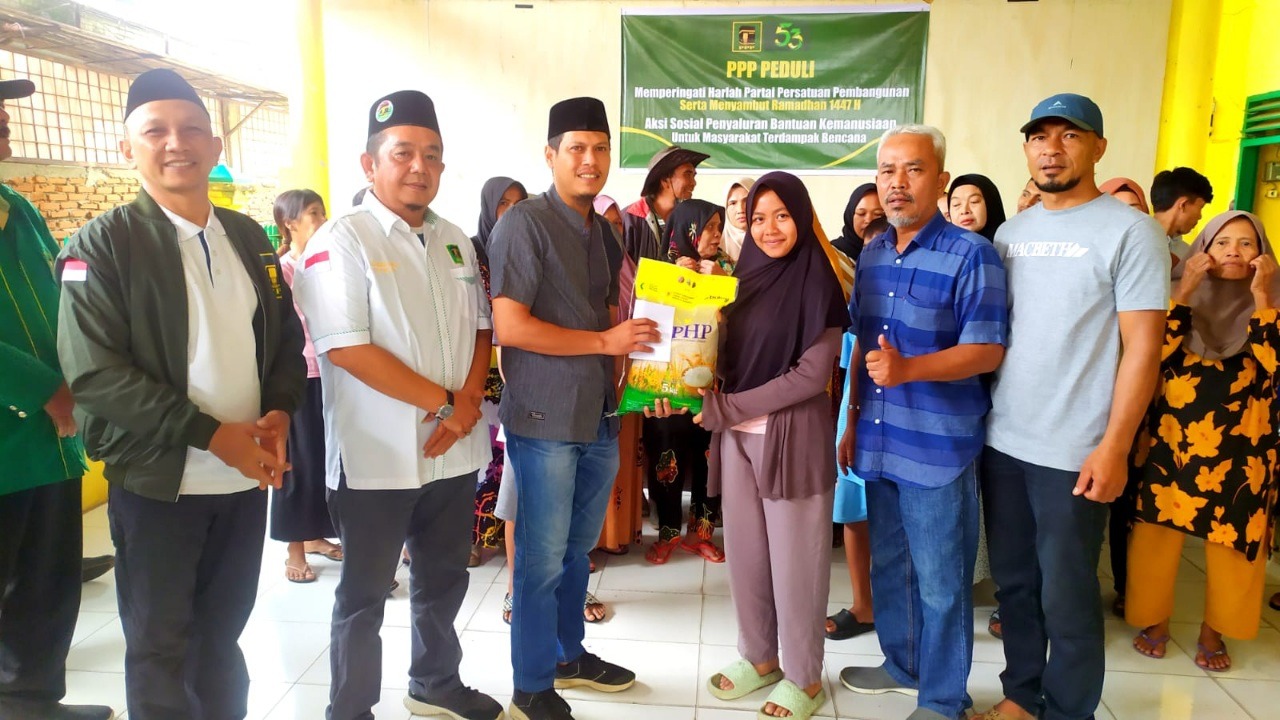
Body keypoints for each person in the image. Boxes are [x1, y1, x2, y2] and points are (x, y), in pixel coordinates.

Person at [56, 68, 307, 720]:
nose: (177, 143)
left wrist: (279, 410)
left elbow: (284, 339)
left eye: (193, 129)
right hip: (158, 484)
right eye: (156, 131)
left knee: (220, 640)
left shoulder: (248, 239)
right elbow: (94, 374)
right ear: (127, 148)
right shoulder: (101, 246)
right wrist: (212, 435)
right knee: (160, 647)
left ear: (215, 146)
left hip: (242, 484)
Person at [292, 90, 502, 720]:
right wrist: (447, 405)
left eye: (431, 155)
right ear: (369, 164)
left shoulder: (455, 238)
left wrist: (466, 404)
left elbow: (482, 328)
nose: (419, 166)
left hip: (452, 452)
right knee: (363, 596)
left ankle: (435, 683)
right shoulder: (341, 240)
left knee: (444, 580)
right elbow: (346, 347)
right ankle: (350, 709)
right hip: (376, 459)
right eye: (403, 153)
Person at [981, 94, 1168, 720]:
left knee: (1067, 595)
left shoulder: (1130, 231)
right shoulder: (1011, 233)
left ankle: (1068, 710)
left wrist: (1114, 446)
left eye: (1069, 135)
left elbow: (1143, 349)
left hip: (1075, 450)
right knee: (1015, 587)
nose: (1051, 149)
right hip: (1004, 440)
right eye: (1039, 136)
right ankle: (1021, 695)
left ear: (1098, 148)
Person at [488, 97, 654, 720]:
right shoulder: (523, 223)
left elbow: (613, 312)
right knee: (539, 559)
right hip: (544, 419)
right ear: (551, 155)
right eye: (577, 148)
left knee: (575, 551)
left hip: (599, 414)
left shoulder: (604, 231)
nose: (590, 160)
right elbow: (511, 326)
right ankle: (531, 687)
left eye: (600, 148)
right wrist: (606, 343)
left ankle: (568, 655)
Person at [838, 127, 1009, 720]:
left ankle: (943, 699)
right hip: (879, 441)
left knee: (941, 583)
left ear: (940, 179)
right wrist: (852, 422)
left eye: (912, 169)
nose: (897, 183)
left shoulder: (972, 254)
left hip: (937, 448)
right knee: (891, 565)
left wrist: (910, 369)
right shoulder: (872, 254)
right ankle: (903, 665)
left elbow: (987, 349)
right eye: (887, 171)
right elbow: (862, 347)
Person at [696, 171, 847, 720]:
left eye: (782, 216)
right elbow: (720, 358)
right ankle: (759, 657)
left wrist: (726, 409)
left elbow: (810, 376)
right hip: (737, 442)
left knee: (796, 565)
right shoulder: (743, 281)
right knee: (747, 558)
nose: (770, 228)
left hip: (791, 444)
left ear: (803, 217)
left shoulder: (820, 283)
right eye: (759, 218)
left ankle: (804, 677)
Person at [0, 72, 114, 720]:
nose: (4, 116)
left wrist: (97, 263)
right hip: (16, 431)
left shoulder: (16, 206)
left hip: (48, 443)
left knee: (46, 581)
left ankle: (30, 702)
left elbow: (59, 274)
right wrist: (47, 389)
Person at [1126, 210, 1280, 672]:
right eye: (1222, 242)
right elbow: (1150, 352)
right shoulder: (1174, 294)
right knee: (1156, 532)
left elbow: (1275, 364)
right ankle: (1154, 619)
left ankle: (1216, 631)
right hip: (1171, 437)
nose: (1234, 251)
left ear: (1262, 255)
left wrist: (1262, 297)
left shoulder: (1273, 301)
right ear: (1203, 251)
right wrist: (1186, 290)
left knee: (1236, 539)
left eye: (1247, 243)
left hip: (1246, 446)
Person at [641, 199, 729, 565]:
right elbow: (645, 324)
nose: (716, 235)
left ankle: (701, 535)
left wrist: (722, 287)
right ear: (687, 230)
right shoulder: (659, 273)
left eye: (718, 227)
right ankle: (667, 535)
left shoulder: (726, 271)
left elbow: (742, 327)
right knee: (667, 459)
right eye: (708, 227)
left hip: (713, 390)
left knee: (710, 460)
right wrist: (671, 283)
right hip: (666, 390)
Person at [270, 189, 343, 584]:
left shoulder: (329, 263)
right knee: (296, 463)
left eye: (323, 211)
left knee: (327, 460)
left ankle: (316, 537)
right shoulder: (281, 270)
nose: (322, 219)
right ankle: (295, 550)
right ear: (290, 223)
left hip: (334, 372)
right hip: (300, 377)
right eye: (313, 213)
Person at [471, 176, 528, 566]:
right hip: (480, 371)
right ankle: (473, 537)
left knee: (506, 460)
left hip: (516, 370)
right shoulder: (471, 252)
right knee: (480, 457)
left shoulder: (525, 250)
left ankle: (503, 536)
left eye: (518, 203)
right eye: (503, 203)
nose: (511, 211)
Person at [621, 145, 709, 262]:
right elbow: (621, 268)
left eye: (693, 175)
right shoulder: (630, 219)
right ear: (665, 180)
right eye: (687, 174)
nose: (694, 183)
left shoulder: (688, 220)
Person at [1151, 167, 1214, 268]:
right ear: (1183, 205)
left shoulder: (1187, 255)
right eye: (1200, 207)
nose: (1200, 216)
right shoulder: (1137, 240)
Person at [831, 182, 885, 262]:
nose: (868, 220)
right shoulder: (832, 254)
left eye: (878, 214)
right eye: (861, 213)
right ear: (850, 215)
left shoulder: (895, 253)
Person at [948, 174, 1007, 242]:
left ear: (991, 204)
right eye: (956, 204)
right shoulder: (943, 246)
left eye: (974, 201)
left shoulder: (1011, 244)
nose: (964, 211)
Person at [722, 177, 755, 262]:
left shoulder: (771, 239)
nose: (740, 210)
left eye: (746, 201)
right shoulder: (715, 244)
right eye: (733, 203)